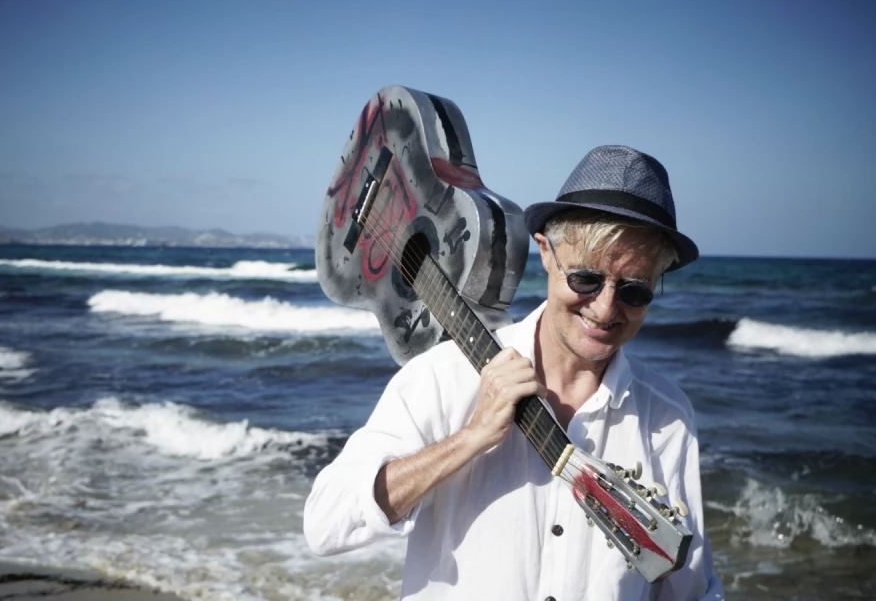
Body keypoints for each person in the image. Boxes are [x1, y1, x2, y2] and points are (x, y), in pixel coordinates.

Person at [304, 145, 724, 601]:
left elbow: (689, 588)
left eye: (635, 291)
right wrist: (471, 437)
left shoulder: (666, 414)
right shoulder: (444, 377)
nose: (606, 308)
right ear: (546, 251)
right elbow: (327, 523)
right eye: (585, 278)